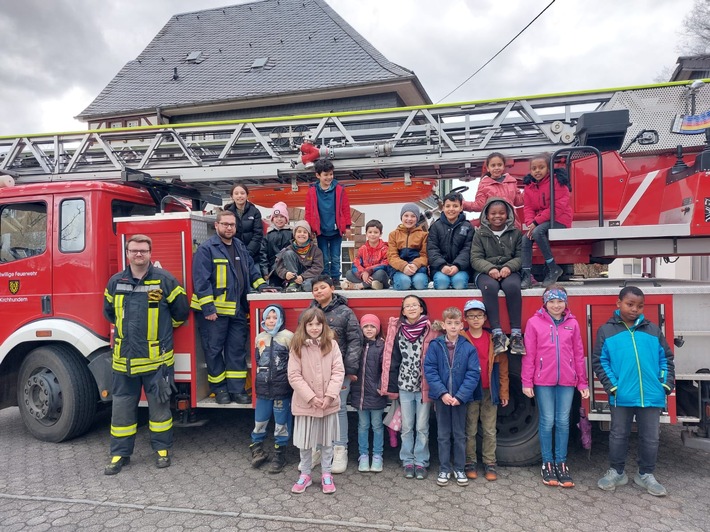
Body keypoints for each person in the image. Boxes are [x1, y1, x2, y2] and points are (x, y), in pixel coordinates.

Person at [103, 234, 189, 475]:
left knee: (160, 409)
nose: (138, 254)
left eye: (143, 250)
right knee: (121, 409)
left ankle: (162, 451)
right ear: (127, 254)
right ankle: (119, 454)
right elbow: (109, 312)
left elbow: (181, 312)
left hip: (156, 361)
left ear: (150, 254)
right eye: (134, 250)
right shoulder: (115, 282)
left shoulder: (165, 280)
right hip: (124, 362)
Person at [593, 286, 675, 497]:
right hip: (621, 395)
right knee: (618, 435)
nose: (635, 309)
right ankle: (617, 472)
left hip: (652, 395)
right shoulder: (607, 330)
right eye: (630, 304)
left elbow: (666, 358)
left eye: (639, 306)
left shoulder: (653, 330)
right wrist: (613, 387)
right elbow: (600, 362)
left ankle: (646, 474)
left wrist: (665, 385)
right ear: (618, 304)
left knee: (651, 438)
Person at [191, 210, 270, 405]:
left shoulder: (239, 246)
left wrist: (261, 286)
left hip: (237, 310)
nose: (229, 228)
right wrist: (208, 308)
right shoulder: (207, 249)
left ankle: (236, 390)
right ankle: (219, 390)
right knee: (214, 351)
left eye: (232, 225)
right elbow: (201, 280)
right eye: (225, 224)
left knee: (236, 351)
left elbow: (251, 270)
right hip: (214, 313)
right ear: (216, 226)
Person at [522, 285, 589, 488]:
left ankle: (561, 462)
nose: (556, 305)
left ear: (565, 303)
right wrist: (527, 381)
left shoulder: (573, 324)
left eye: (560, 301)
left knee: (562, 421)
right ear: (545, 302)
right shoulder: (534, 323)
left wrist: (582, 382)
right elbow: (529, 355)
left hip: (567, 380)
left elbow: (578, 353)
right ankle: (547, 463)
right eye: (552, 301)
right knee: (547, 420)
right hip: (543, 380)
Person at [307, 275, 362, 473]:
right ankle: (319, 449)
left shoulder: (345, 312)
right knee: (317, 409)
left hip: (338, 372)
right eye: (315, 289)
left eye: (322, 287)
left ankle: (340, 449)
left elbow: (355, 340)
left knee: (337, 409)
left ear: (332, 288)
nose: (319, 291)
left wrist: (350, 369)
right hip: (314, 372)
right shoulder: (309, 313)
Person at [380, 295, 439, 480]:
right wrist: (390, 387)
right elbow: (393, 359)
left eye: (415, 305)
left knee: (422, 426)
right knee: (406, 426)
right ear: (403, 311)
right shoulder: (399, 331)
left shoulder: (431, 330)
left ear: (422, 308)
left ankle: (421, 461)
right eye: (408, 306)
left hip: (424, 386)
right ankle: (407, 460)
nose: (412, 308)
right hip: (404, 385)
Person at [288, 307, 345, 494]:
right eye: (310, 324)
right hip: (306, 404)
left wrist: (329, 396)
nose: (314, 328)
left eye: (318, 324)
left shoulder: (332, 344)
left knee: (327, 442)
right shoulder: (297, 346)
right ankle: (305, 475)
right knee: (305, 442)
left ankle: (326, 474)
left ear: (323, 325)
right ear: (304, 326)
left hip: (328, 404)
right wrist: (311, 397)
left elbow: (338, 372)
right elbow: (294, 375)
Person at [424, 307, 481, 487]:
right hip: (442, 398)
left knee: (459, 434)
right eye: (449, 323)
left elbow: (473, 374)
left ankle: (459, 468)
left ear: (462, 325)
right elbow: (430, 370)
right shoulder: (436, 345)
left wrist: (460, 396)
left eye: (457, 323)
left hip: (459, 399)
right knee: (442, 435)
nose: (453, 326)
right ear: (443, 325)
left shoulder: (468, 347)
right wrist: (443, 393)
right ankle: (444, 468)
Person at [461, 299, 509, 481]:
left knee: (489, 429)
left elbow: (503, 367)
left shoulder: (493, 338)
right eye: (471, 316)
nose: (475, 319)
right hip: (469, 391)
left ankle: (490, 463)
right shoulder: (461, 337)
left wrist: (504, 392)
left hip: (490, 390)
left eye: (479, 316)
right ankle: (470, 462)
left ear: (485, 318)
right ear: (465, 318)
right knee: (470, 429)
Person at [470, 198, 525, 355]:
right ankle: (497, 333)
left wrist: (509, 267)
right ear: (486, 216)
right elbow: (475, 258)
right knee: (490, 287)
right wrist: (490, 268)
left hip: (510, 270)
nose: (497, 216)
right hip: (486, 272)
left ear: (507, 214)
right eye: (493, 213)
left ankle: (516, 335)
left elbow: (521, 256)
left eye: (501, 213)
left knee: (512, 286)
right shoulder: (480, 234)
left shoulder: (515, 233)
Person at [250, 304, 294, 474]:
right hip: (262, 389)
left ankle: (279, 453)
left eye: (275, 317)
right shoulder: (259, 337)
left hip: (282, 390)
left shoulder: (288, 337)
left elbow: (293, 362)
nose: (271, 321)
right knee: (259, 420)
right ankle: (257, 449)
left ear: (281, 319)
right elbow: (257, 359)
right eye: (268, 317)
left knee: (281, 422)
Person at [520, 154, 572, 289]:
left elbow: (559, 206)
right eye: (534, 168)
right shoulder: (529, 186)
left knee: (537, 232)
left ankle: (553, 267)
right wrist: (530, 222)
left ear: (548, 168)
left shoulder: (557, 181)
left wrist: (536, 222)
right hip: (541, 221)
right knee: (526, 238)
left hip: (559, 218)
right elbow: (528, 207)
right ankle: (526, 275)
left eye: (541, 167)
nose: (537, 171)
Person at [304, 159, 352, 285]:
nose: (329, 177)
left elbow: (345, 208)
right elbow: (309, 211)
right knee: (324, 257)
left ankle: (335, 279)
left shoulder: (340, 189)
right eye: (326, 175)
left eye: (331, 174)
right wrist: (310, 229)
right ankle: (325, 279)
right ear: (318, 175)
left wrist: (347, 226)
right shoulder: (312, 191)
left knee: (336, 257)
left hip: (336, 230)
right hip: (321, 231)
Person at [350, 314, 387, 473]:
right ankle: (363, 455)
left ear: (378, 329)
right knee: (363, 425)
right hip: (360, 394)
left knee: (377, 425)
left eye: (373, 326)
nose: (369, 329)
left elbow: (385, 370)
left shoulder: (381, 346)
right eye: (366, 326)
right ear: (361, 328)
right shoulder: (356, 346)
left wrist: (381, 386)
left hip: (376, 393)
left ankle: (377, 455)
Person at [427, 191, 473, 290]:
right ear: (443, 208)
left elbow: (468, 249)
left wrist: (457, 266)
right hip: (440, 268)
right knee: (441, 283)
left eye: (455, 206)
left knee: (459, 283)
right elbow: (432, 249)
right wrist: (442, 265)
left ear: (461, 208)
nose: (451, 209)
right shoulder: (435, 227)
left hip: (461, 268)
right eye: (448, 206)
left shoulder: (468, 227)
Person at [463, 152, 524, 223]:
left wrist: (530, 188)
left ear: (504, 166)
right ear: (488, 168)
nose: (496, 168)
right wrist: (461, 204)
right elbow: (479, 205)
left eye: (499, 165)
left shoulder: (511, 181)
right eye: (493, 165)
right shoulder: (484, 185)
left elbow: (518, 201)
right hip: (492, 225)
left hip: (512, 223)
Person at [388, 203, 429, 291]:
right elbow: (392, 256)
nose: (409, 219)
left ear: (417, 218)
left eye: (413, 216)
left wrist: (415, 264)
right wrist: (403, 266)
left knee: (420, 283)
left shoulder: (424, 235)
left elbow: (425, 255)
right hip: (399, 268)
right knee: (403, 283)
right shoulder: (393, 235)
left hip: (417, 268)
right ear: (401, 217)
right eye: (406, 215)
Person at [274, 220, 324, 292]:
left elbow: (318, 267)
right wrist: (285, 274)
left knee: (308, 286)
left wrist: (302, 277)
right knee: (288, 254)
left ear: (309, 235)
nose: (302, 234)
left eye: (305, 232)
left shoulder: (316, 250)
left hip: (308, 278)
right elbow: (279, 266)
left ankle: (299, 287)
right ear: (294, 234)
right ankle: (293, 283)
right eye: (299, 231)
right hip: (293, 278)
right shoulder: (288, 249)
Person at [341, 219, 389, 290]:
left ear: (380, 234)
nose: (372, 234)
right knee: (349, 273)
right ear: (366, 234)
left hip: (376, 274)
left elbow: (385, 264)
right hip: (364, 276)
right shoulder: (362, 249)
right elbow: (356, 263)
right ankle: (373, 285)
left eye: (376, 232)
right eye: (370, 232)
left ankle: (357, 286)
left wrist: (368, 271)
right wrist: (362, 273)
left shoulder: (385, 248)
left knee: (381, 273)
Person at [225, 183, 263, 263]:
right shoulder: (227, 213)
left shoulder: (255, 212)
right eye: (236, 193)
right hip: (233, 255)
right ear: (232, 196)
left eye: (242, 193)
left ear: (247, 195)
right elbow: (226, 234)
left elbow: (258, 235)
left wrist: (248, 253)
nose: (239, 196)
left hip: (253, 256)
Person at [259, 201, 294, 287]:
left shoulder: (292, 233)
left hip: (289, 271)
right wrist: (265, 271)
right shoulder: (268, 235)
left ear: (286, 218)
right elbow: (263, 254)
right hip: (273, 272)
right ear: (272, 219)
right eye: (276, 217)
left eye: (282, 216)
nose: (279, 219)